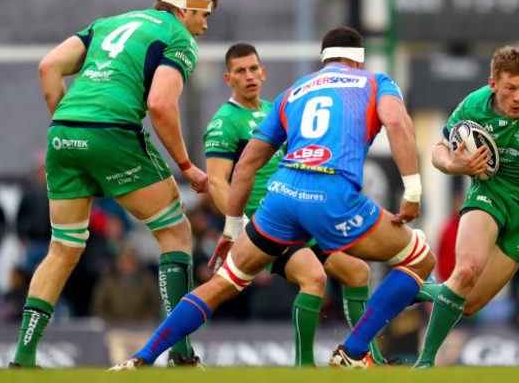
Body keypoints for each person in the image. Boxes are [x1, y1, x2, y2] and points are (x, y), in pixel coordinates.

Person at [109, 26, 435, 371]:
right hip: (329, 193)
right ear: (360, 60)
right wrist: (412, 190)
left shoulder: (294, 92)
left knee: (224, 283)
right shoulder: (374, 82)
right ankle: (353, 352)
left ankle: (140, 358)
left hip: (281, 197)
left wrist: (233, 227)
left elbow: (248, 163)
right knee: (419, 259)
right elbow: (398, 124)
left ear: (323, 59)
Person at [9, 0, 219, 368]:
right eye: (206, 15)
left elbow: (48, 67)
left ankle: (23, 356)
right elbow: (160, 104)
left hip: (64, 134)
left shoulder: (108, 24)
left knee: (64, 248)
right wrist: (187, 166)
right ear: (188, 7)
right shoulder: (179, 37)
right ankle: (182, 353)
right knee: (175, 232)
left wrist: (73, 127)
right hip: (112, 131)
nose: (205, 25)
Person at [203, 43, 383, 366]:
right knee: (314, 278)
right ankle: (304, 367)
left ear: (263, 72)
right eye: (241, 71)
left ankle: (371, 358)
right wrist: (241, 227)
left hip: (301, 213)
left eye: (254, 68)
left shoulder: (280, 108)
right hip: (270, 223)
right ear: (228, 78)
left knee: (358, 272)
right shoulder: (224, 122)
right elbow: (217, 182)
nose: (249, 76)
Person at [414, 45, 519, 368]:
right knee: (466, 271)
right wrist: (454, 166)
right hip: (491, 192)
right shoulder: (474, 105)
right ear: (493, 84)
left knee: (470, 302)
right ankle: (426, 363)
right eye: (510, 88)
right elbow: (439, 150)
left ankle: (407, 286)